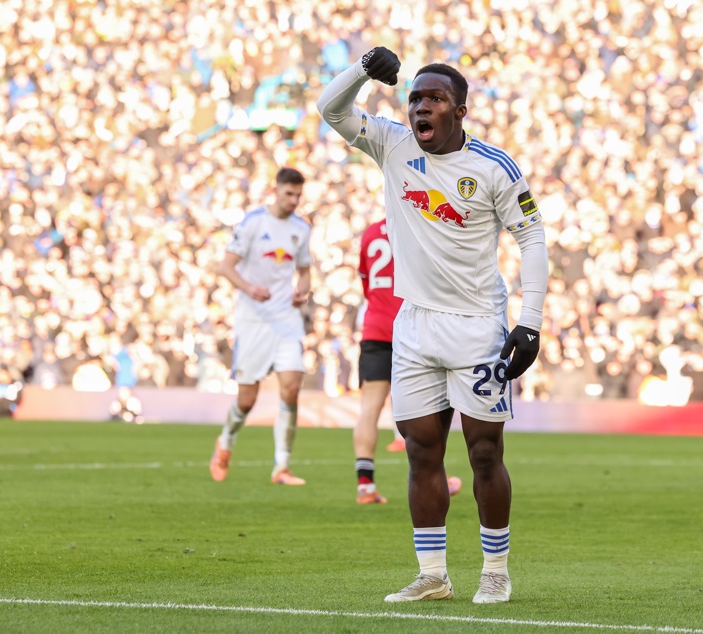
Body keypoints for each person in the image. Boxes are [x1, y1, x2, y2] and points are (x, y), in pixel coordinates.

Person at [317, 48, 548, 604]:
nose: (421, 107)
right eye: (415, 98)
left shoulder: (494, 167)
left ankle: (496, 571)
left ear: (460, 111)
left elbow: (532, 236)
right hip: (414, 325)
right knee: (421, 452)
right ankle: (433, 575)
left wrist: (531, 322)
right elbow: (330, 109)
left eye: (435, 99)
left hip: (477, 326)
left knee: (484, 453)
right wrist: (364, 69)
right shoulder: (392, 144)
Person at [209, 167, 312, 486]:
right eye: (288, 194)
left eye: (298, 195)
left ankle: (281, 466)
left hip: (286, 319)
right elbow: (226, 266)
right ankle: (226, 442)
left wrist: (303, 292)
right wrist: (249, 288)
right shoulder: (253, 222)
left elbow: (305, 271)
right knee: (247, 399)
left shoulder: (301, 229)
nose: (293, 201)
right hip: (253, 320)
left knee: (291, 388)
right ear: (276, 191)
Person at [354, 217, 463, 505]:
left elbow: (366, 284)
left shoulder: (370, 233)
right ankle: (437, 476)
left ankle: (365, 485)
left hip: (376, 328)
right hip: (411, 329)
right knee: (428, 407)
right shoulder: (416, 224)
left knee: (369, 408)